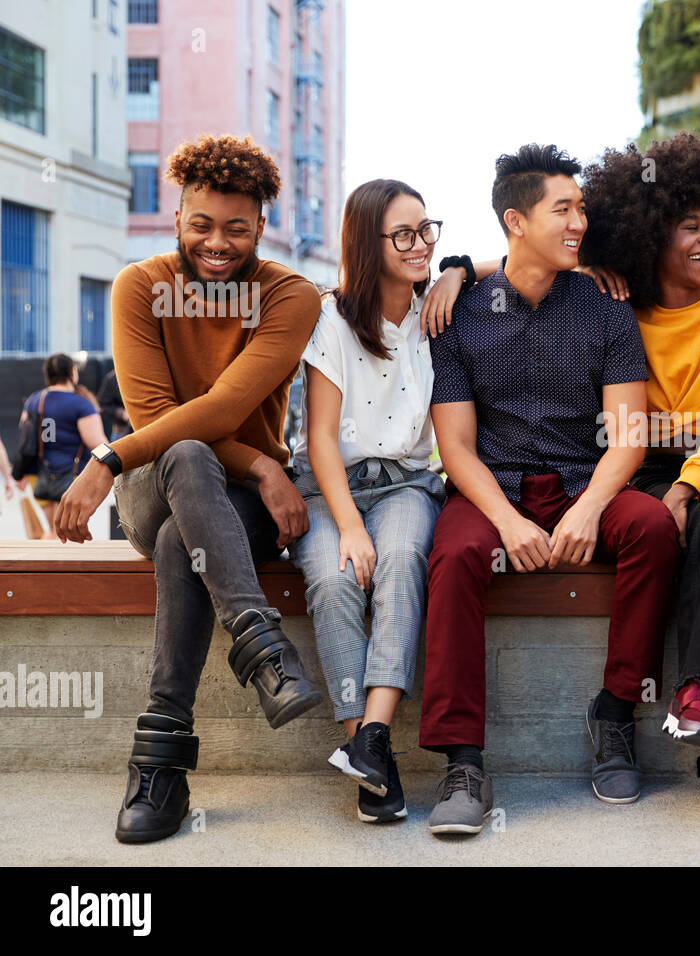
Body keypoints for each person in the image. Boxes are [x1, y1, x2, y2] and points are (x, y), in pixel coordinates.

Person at [53, 134, 326, 843]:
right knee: (180, 456)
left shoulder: (289, 295)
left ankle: (159, 767)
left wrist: (105, 457)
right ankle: (262, 648)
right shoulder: (140, 287)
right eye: (201, 223)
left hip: (239, 514)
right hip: (155, 483)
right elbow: (159, 424)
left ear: (261, 226)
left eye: (237, 227)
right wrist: (264, 464)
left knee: (185, 537)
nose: (218, 242)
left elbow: (222, 409)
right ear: (176, 218)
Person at [419, 144, 678, 836]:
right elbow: (455, 448)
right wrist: (505, 521)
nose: (578, 222)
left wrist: (591, 507)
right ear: (515, 220)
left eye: (582, 209)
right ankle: (463, 762)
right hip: (490, 489)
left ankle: (616, 714)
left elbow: (630, 435)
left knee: (653, 527)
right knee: (452, 557)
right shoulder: (459, 314)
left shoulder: (606, 307)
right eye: (562, 209)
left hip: (579, 482)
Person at [576, 132, 700, 816]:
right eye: (689, 226)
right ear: (646, 233)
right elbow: (527, 267)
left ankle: (697, 689)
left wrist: (686, 487)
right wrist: (455, 269)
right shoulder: (614, 306)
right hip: (635, 474)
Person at [289, 179, 446, 824]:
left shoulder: (436, 312)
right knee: (331, 576)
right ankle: (368, 753)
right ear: (366, 241)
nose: (421, 245)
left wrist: (458, 269)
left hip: (408, 481)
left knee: (403, 556)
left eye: (427, 229)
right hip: (331, 487)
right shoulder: (330, 319)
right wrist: (351, 527)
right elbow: (320, 438)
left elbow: (509, 261)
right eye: (403, 234)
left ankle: (371, 739)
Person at [17, 354, 109, 535]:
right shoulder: (81, 405)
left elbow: (25, 437)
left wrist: (21, 472)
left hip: (39, 474)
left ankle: (44, 558)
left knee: (52, 529)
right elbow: (97, 442)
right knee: (64, 533)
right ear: (72, 372)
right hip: (72, 476)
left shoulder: (34, 400)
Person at [97, 367, 133, 441]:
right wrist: (121, 413)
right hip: (122, 431)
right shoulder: (112, 378)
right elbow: (101, 406)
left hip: (147, 428)